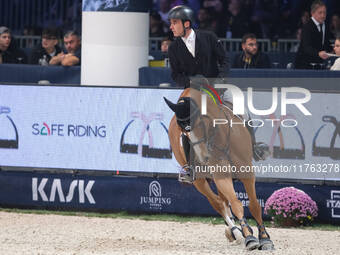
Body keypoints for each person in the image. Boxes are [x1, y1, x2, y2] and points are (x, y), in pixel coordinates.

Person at [167, 5, 229, 89]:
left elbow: (225, 60)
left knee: (231, 101)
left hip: (216, 87)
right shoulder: (173, 47)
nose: (171, 27)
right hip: (191, 89)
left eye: (174, 23)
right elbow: (176, 74)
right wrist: (190, 81)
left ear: (186, 24)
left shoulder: (209, 37)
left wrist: (220, 79)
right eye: (170, 23)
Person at [294, 0, 332, 69]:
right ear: (312, 13)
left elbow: (325, 42)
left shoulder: (325, 25)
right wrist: (318, 53)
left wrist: (334, 49)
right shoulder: (307, 27)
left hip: (318, 64)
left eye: (324, 13)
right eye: (320, 13)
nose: (323, 15)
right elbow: (307, 47)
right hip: (304, 65)